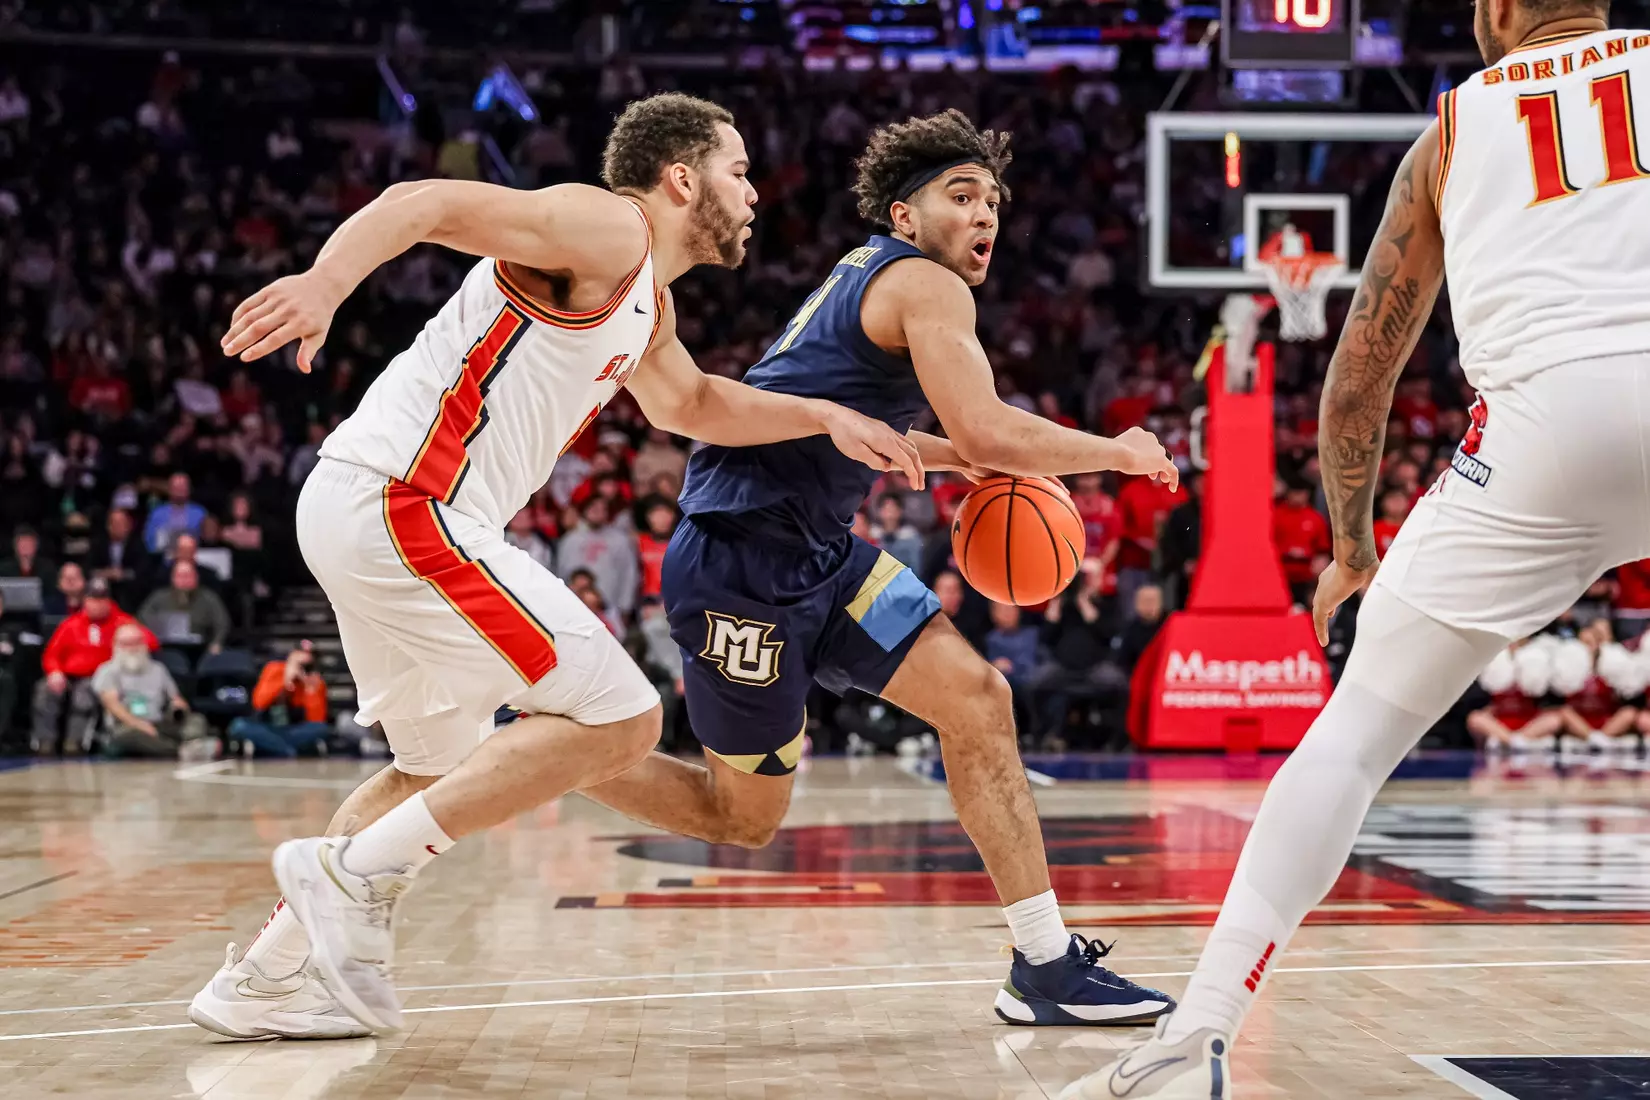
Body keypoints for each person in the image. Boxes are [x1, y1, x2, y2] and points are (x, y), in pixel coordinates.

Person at [189, 92, 921, 1041]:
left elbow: (693, 404)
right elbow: (424, 201)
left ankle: (261, 976)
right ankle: (348, 877)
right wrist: (326, 283)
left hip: (373, 508)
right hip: (405, 502)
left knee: (431, 770)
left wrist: (826, 417)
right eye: (738, 171)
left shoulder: (644, 300)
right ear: (682, 177)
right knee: (622, 715)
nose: (753, 194)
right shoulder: (608, 225)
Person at [1064, 2, 1650, 1094]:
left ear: (1505, 9)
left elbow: (1358, 380)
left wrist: (1350, 547)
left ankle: (1199, 1031)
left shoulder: (1449, 133)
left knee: (1352, 739)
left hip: (1540, 436)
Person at [581, 109, 1180, 1030]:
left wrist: (951, 460)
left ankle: (1045, 963)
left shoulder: (873, 275)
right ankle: (532, 743)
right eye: (962, 196)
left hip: (821, 551)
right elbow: (987, 425)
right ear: (906, 217)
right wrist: (1118, 449)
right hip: (740, 567)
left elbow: (890, 433)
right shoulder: (925, 287)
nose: (985, 216)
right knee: (742, 818)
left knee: (980, 699)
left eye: (994, 201)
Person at [33, 578, 155, 755]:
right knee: (44, 690)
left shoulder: (123, 622)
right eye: (93, 600)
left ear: (108, 601)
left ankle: (75, 741)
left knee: (84, 693)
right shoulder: (71, 624)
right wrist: (55, 672)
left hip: (102, 676)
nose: (97, 605)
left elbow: (150, 642)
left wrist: (127, 646)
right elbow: (51, 654)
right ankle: (44, 741)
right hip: (69, 675)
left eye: (101, 600)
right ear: (85, 601)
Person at [90, 622, 201, 759]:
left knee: (197, 721)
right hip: (126, 726)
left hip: (158, 721)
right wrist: (140, 725)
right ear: (116, 645)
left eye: (136, 642)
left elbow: (175, 698)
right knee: (133, 736)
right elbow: (113, 705)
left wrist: (179, 706)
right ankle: (181, 751)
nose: (132, 648)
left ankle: (189, 744)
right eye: (126, 643)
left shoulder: (158, 669)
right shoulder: (107, 671)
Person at [229, 640, 331, 758]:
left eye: (309, 656)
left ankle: (279, 748)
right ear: (291, 655)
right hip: (269, 729)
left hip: (294, 730)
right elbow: (259, 703)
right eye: (300, 653)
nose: (304, 659)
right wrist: (285, 681)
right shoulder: (273, 668)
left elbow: (316, 721)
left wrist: (309, 690)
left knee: (321, 729)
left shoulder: (315, 682)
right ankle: (287, 750)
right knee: (238, 726)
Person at [138, 560, 232, 652]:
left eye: (188, 576)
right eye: (180, 576)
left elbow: (222, 623)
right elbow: (142, 617)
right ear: (173, 578)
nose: (184, 580)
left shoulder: (209, 598)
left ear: (196, 578)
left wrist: (217, 643)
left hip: (199, 650)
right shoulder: (158, 597)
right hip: (164, 648)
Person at [143, 472, 208, 554]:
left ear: (189, 489)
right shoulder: (157, 513)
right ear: (169, 489)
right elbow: (149, 540)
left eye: (183, 487)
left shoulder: (200, 512)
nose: (180, 490)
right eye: (176, 487)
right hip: (162, 558)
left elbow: (207, 539)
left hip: (194, 555)